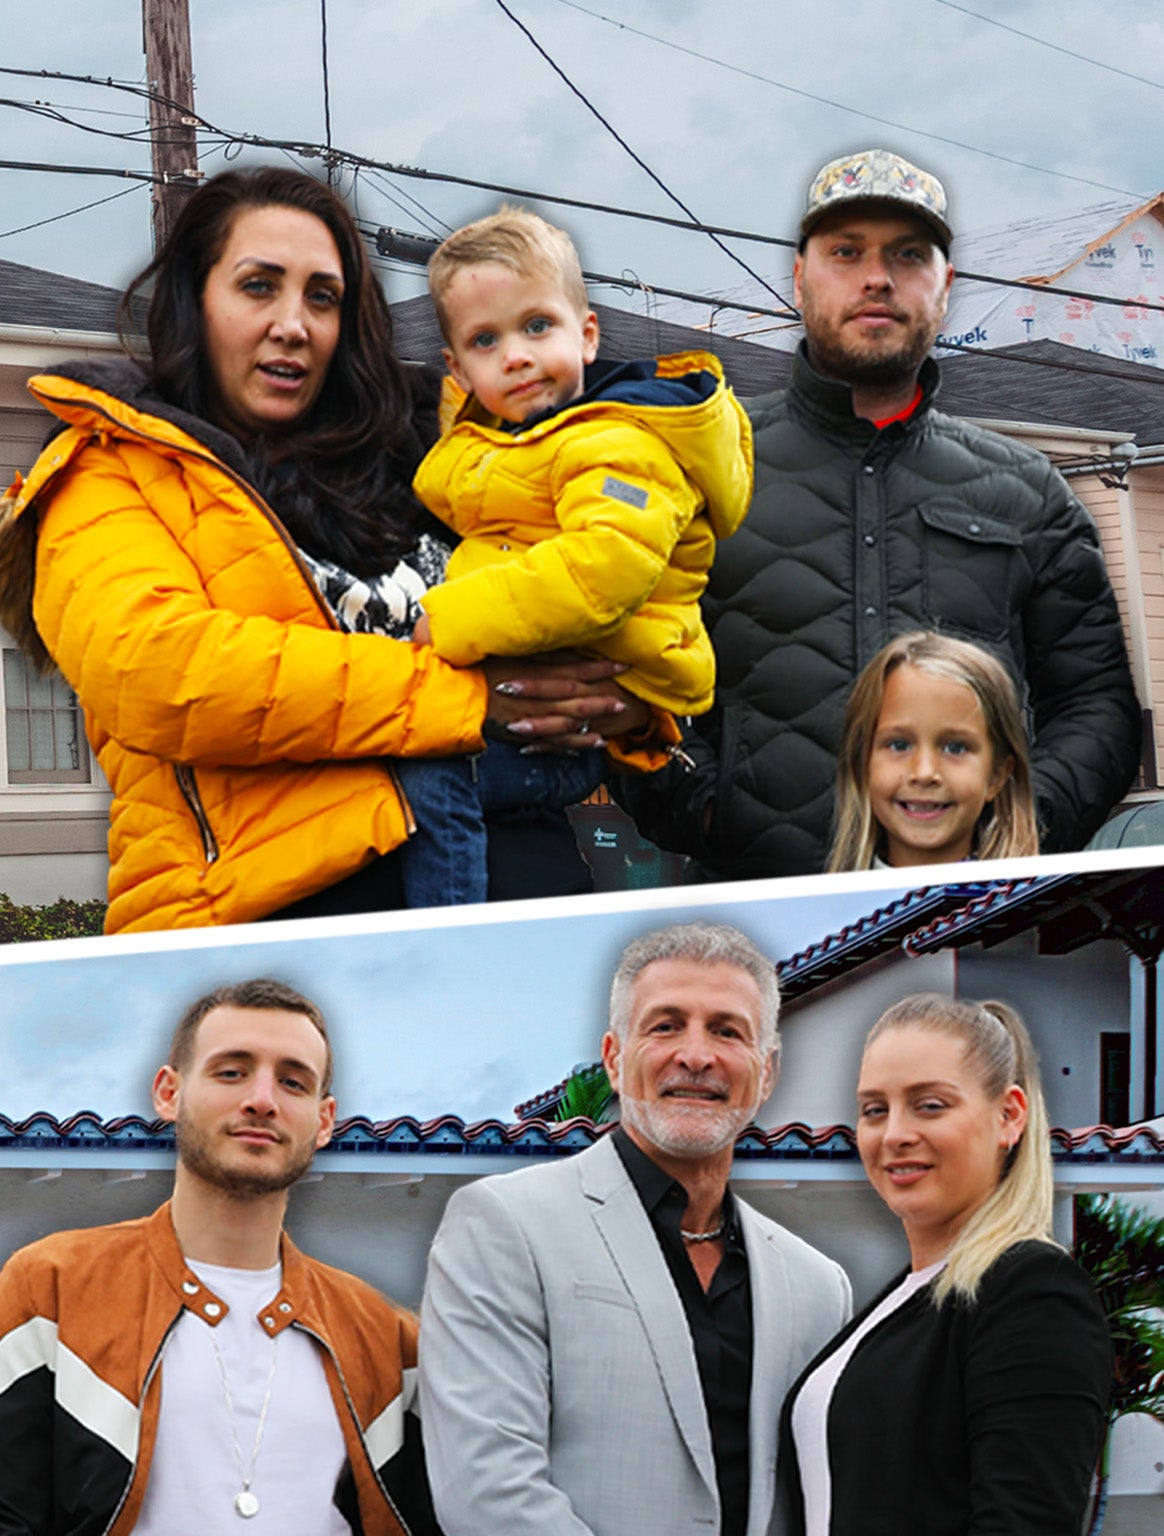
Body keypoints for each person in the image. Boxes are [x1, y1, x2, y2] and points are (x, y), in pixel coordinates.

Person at [0, 167, 641, 929]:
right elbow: (164, 671)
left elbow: (593, 590)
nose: (294, 322)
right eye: (259, 287)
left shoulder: (442, 454)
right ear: (195, 301)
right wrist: (471, 701)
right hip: (264, 925)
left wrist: (624, 701)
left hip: (530, 889)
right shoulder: (108, 469)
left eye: (323, 296)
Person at [616, 149, 1139, 879]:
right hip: (763, 926)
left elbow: (1097, 706)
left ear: (944, 286)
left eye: (908, 254)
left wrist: (1016, 834)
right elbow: (629, 670)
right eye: (845, 251)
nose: (876, 277)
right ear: (799, 278)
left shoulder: (1029, 492)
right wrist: (710, 809)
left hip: (973, 921)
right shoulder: (695, 472)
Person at [0, 979, 433, 1536]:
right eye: (231, 1071)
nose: (262, 1099)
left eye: (293, 1082)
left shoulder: (386, 1338)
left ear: (323, 1121)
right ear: (169, 1092)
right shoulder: (50, 1286)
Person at [420, 923, 852, 1536]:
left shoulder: (819, 1286)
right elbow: (487, 1494)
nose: (696, 1056)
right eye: (665, 1025)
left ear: (768, 1072)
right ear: (615, 1059)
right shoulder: (504, 1225)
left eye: (727, 1031)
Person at [393, 207, 753, 906]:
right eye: (485, 341)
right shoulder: (519, 443)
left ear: (586, 334)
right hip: (539, 701)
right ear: (457, 369)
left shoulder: (615, 441)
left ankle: (449, 930)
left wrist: (450, 620)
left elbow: (601, 569)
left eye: (537, 326)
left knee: (431, 779)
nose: (517, 355)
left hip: (578, 720)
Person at [779, 995, 1110, 1534]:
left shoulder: (1034, 1291)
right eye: (874, 1109)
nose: (895, 1134)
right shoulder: (903, 1298)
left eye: (929, 1104)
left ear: (1009, 1116)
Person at [826, 631, 1040, 872]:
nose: (924, 773)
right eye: (899, 745)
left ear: (997, 775)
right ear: (861, 763)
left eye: (955, 748)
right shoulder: (821, 908)